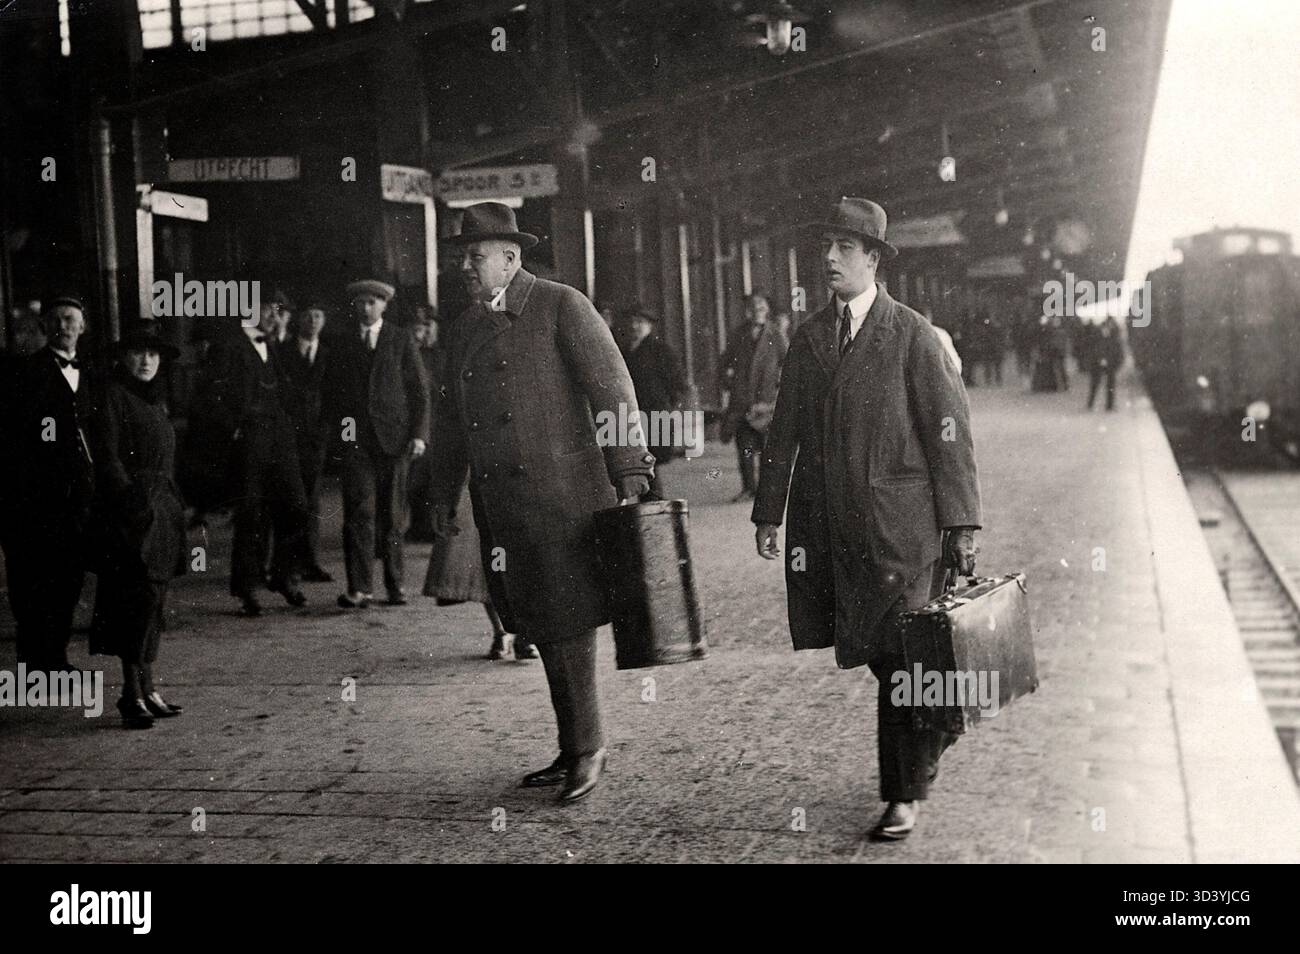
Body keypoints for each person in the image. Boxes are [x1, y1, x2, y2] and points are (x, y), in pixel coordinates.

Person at [752, 197, 982, 842]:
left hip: (904, 530)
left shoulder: (911, 334)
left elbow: (949, 436)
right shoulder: (809, 338)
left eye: (845, 248)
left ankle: (903, 792)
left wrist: (961, 526)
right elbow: (785, 433)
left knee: (903, 655)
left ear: (874, 260)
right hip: (832, 530)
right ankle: (932, 736)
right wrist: (768, 512)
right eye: (826, 246)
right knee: (885, 657)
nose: (829, 258)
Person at [428, 202, 653, 802]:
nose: (465, 269)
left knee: (570, 621)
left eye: (474, 258)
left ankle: (589, 747)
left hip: (564, 500)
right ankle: (572, 745)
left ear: (510, 258)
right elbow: (449, 422)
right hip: (502, 504)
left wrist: (628, 468)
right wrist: (442, 492)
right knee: (542, 624)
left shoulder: (561, 306)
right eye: (462, 259)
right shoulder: (465, 327)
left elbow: (613, 390)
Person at [88, 320, 188, 729]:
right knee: (135, 600)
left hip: (161, 509)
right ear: (122, 357)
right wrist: (132, 504)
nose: (146, 360)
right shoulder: (113, 396)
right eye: (137, 352)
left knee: (154, 601)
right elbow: (107, 457)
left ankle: (148, 687)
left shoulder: (155, 402)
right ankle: (131, 692)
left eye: (153, 353)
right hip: (131, 513)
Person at [191, 292, 309, 616]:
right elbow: (209, 396)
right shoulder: (227, 346)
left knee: (297, 505)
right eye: (268, 308)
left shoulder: (272, 345)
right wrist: (233, 428)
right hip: (249, 441)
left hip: (279, 437)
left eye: (278, 310)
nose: (274, 315)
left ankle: (283, 575)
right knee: (251, 513)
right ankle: (247, 589)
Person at [323, 279, 430, 608]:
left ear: (384, 305)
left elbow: (419, 392)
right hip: (356, 443)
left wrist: (419, 435)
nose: (366, 308)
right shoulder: (342, 344)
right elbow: (334, 398)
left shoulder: (400, 340)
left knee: (393, 517)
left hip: (395, 442)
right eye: (361, 302)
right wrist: (345, 440)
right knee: (359, 514)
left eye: (373, 302)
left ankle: (395, 585)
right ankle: (360, 588)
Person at [9, 295, 100, 672]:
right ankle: (34, 659)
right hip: (38, 496)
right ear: (47, 327)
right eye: (58, 320)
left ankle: (56, 656)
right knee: (35, 580)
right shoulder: (29, 372)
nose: (65, 326)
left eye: (71, 319)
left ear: (83, 327)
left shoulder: (91, 374)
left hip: (77, 495)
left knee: (69, 577)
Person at [277, 303, 333, 581]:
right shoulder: (283, 353)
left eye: (318, 315)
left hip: (316, 438)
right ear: (299, 320)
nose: (313, 320)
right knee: (289, 498)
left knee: (311, 499)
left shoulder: (328, 355)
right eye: (308, 315)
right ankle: (288, 564)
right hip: (288, 436)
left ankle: (309, 561)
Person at [720, 293, 785, 502]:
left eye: (761, 305)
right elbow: (724, 363)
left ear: (767, 309)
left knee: (769, 449)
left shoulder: (777, 335)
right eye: (753, 306)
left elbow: (790, 366)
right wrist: (730, 383)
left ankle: (768, 492)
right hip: (742, 402)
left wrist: (777, 394)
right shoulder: (738, 334)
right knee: (745, 448)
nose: (757, 309)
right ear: (748, 310)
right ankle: (749, 488)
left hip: (767, 404)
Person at [621, 304, 687, 497]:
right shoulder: (626, 350)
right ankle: (650, 502)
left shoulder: (660, 350)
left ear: (649, 326)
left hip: (655, 413)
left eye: (640, 322)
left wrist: (668, 405)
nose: (634, 326)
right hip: (635, 414)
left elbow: (678, 382)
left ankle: (653, 503)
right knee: (643, 460)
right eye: (632, 321)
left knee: (649, 459)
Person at [407, 305, 447, 542]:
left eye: (430, 325)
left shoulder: (442, 356)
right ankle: (417, 524)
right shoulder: (411, 354)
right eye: (421, 326)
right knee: (414, 478)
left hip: (438, 423)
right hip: (418, 423)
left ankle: (431, 525)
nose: (425, 331)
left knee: (435, 478)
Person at [1087, 316, 1124, 411]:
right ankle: (1090, 404)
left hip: (1110, 364)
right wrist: (1099, 359)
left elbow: (1119, 353)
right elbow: (1092, 351)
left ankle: (1109, 406)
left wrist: (1115, 364)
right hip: (1098, 364)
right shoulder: (1097, 338)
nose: (1106, 330)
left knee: (1110, 385)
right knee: (1095, 385)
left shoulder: (1113, 339)